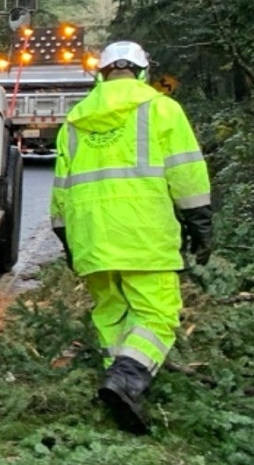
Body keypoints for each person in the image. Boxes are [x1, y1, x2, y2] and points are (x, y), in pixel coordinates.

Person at [50, 40, 213, 433]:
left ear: (101, 73)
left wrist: (67, 239)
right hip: (144, 233)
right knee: (157, 314)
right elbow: (187, 173)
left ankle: (121, 391)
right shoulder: (161, 109)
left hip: (91, 237)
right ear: (141, 72)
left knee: (112, 312)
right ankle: (126, 379)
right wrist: (200, 225)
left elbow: (61, 191)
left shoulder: (74, 120)